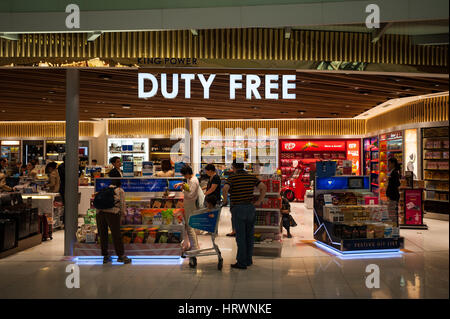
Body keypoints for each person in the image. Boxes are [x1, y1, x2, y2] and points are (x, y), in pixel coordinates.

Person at [222, 159, 267, 269]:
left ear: (234, 167)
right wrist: (259, 201)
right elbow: (263, 187)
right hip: (250, 208)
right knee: (249, 236)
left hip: (238, 208)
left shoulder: (232, 177)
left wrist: (225, 200)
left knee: (240, 237)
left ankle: (241, 263)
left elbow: (225, 188)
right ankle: (248, 260)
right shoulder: (251, 177)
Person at [95, 179, 131, 264]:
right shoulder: (120, 190)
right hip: (112, 213)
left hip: (99, 213)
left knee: (103, 234)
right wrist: (123, 215)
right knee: (116, 234)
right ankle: (121, 256)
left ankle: (105, 256)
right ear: (119, 184)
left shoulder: (104, 190)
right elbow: (122, 204)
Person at [174, 165, 201, 255]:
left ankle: (195, 248)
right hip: (189, 204)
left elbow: (190, 195)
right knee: (190, 227)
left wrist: (183, 190)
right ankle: (193, 246)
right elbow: (189, 189)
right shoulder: (191, 179)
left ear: (188, 173)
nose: (184, 177)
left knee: (190, 227)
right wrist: (182, 185)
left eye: (184, 175)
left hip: (190, 205)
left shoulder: (193, 181)